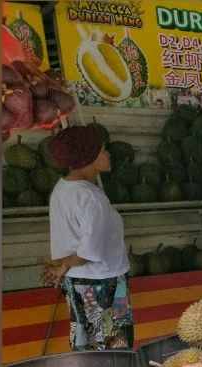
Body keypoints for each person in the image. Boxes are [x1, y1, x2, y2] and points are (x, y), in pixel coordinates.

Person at [42, 125, 134, 351]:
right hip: (103, 282)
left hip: (77, 280)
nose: (108, 154)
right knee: (113, 345)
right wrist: (62, 266)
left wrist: (63, 267)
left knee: (86, 341)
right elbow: (89, 252)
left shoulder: (62, 188)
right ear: (87, 157)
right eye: (102, 150)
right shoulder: (91, 197)